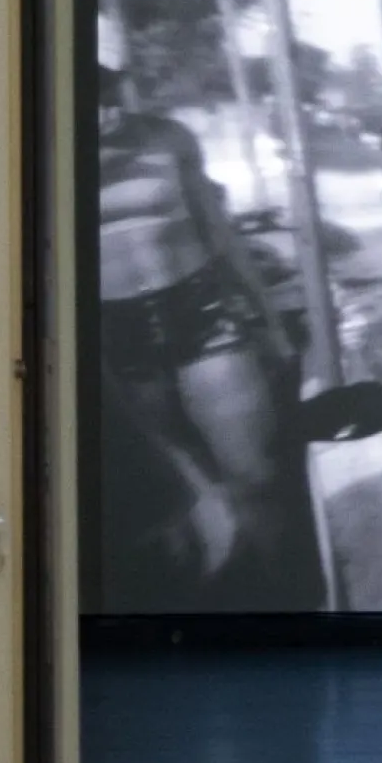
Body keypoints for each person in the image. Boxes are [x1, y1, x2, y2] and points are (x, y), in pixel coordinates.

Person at [97, 61, 318, 608]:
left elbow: (220, 233)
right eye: (91, 102)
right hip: (116, 334)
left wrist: (269, 322)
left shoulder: (168, 138)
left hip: (199, 310)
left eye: (111, 95)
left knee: (256, 475)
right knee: (177, 499)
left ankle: (286, 605)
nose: (109, 112)